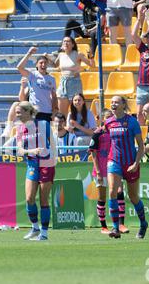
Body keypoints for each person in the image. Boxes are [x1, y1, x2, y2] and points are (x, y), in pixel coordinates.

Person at [104, 95, 148, 239]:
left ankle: (143, 223)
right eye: (112, 102)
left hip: (130, 163)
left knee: (133, 197)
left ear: (124, 105)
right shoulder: (108, 122)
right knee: (112, 191)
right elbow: (102, 138)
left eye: (116, 102)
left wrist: (136, 163)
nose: (113, 104)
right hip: (114, 162)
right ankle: (116, 228)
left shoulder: (132, 122)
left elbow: (141, 146)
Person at [16, 102, 57, 241]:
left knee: (44, 199)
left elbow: (52, 144)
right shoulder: (20, 129)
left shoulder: (44, 124)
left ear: (28, 112)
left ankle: (44, 233)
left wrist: (52, 160)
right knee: (29, 198)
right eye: (16, 112)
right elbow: (20, 150)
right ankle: (35, 227)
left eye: (19, 112)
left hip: (47, 164)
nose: (17, 115)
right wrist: (30, 151)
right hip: (32, 164)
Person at [89, 108, 130, 234]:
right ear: (102, 119)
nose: (110, 119)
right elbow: (94, 154)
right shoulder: (97, 134)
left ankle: (121, 224)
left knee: (119, 192)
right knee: (102, 197)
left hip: (114, 167)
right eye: (107, 117)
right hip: (101, 169)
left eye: (111, 117)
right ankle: (104, 227)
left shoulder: (115, 132)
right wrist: (98, 172)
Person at [45, 36, 94, 116]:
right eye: (64, 41)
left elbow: (92, 65)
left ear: (73, 44)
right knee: (61, 113)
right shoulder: (61, 55)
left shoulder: (78, 54)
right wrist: (47, 58)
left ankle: (77, 127)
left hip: (74, 83)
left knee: (76, 112)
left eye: (68, 41)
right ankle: (62, 128)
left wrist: (90, 56)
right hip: (63, 83)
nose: (66, 43)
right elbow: (54, 65)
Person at [17, 47, 59, 122]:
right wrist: (29, 53)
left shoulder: (52, 79)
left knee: (45, 133)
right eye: (41, 63)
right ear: (36, 65)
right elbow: (19, 67)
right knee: (34, 132)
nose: (43, 65)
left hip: (47, 112)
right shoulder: (33, 75)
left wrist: (55, 110)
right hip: (34, 112)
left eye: (45, 63)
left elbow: (54, 97)